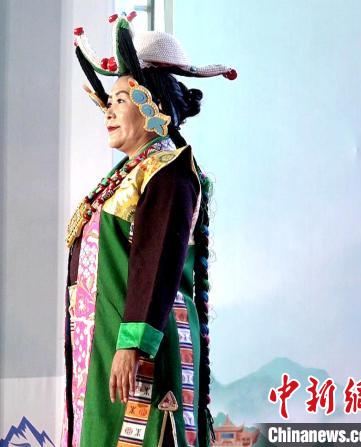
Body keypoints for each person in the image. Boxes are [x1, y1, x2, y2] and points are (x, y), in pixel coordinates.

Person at [62, 13, 236, 447]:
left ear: (152, 105)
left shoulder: (168, 171)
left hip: (143, 342)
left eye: (121, 99)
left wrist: (133, 343)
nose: (108, 110)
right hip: (107, 340)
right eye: (109, 101)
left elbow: (156, 261)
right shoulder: (129, 173)